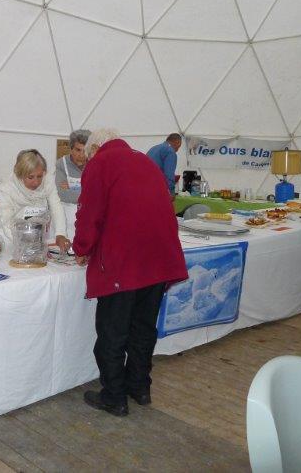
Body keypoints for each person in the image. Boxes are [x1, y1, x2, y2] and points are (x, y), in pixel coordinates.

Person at [73, 129, 187, 417]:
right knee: (143, 329)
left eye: (87, 156)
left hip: (124, 263)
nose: (86, 161)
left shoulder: (100, 163)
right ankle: (140, 388)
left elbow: (89, 214)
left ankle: (114, 396)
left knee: (113, 332)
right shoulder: (144, 160)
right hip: (158, 260)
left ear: (95, 149)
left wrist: (81, 248)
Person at [0, 149, 69, 254]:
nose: (36, 182)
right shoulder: (7, 189)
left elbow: (56, 206)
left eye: (39, 176)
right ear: (20, 175)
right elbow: (6, 222)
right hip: (11, 240)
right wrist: (24, 244)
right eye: (30, 177)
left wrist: (61, 234)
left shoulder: (47, 181)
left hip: (37, 239)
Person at [55, 129, 91, 203]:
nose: (81, 155)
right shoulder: (61, 164)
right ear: (70, 149)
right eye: (78, 150)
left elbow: (98, 193)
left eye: (85, 150)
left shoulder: (94, 164)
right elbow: (61, 194)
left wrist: (71, 187)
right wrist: (87, 190)